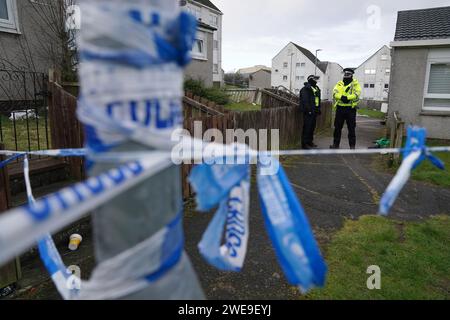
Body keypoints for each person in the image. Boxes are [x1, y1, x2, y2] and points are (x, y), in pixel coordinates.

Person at [330, 68, 362, 149]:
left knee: (351, 128)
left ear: (352, 75)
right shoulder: (339, 83)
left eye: (348, 74)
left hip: (350, 109)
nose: (346, 75)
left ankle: (352, 146)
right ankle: (335, 145)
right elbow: (334, 93)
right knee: (337, 128)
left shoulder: (355, 84)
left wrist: (347, 98)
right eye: (345, 74)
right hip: (340, 109)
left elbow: (357, 94)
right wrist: (341, 97)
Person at [299, 75, 322, 150]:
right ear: (310, 80)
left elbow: (318, 100)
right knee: (307, 128)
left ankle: (310, 142)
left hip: (314, 111)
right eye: (315, 79)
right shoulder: (305, 89)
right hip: (308, 111)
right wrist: (309, 110)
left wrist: (318, 108)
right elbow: (305, 101)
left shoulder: (316, 88)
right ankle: (304, 144)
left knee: (312, 127)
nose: (316, 81)